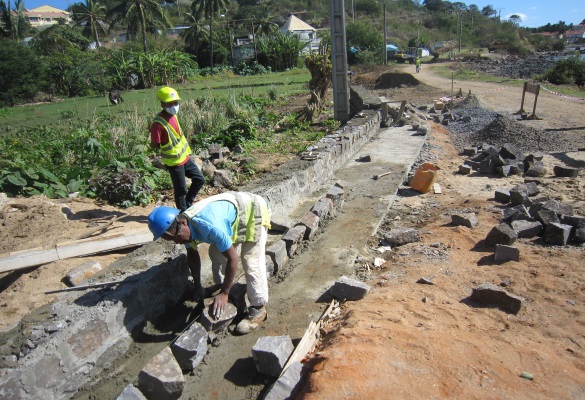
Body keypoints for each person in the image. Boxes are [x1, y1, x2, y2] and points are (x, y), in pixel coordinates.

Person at [147, 191, 271, 335]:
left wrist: (225, 292)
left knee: (251, 260)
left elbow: (233, 258)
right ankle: (224, 289)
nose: (177, 242)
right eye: (171, 240)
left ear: (183, 222)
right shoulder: (183, 231)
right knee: (216, 253)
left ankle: (258, 309)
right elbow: (192, 255)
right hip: (233, 215)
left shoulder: (209, 226)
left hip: (253, 209)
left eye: (176, 237)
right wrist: (198, 286)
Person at [150, 86, 205, 212]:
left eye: (176, 103)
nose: (174, 106)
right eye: (170, 103)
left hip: (184, 157)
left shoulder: (173, 116)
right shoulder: (158, 124)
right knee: (181, 190)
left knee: (199, 179)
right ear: (162, 104)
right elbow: (155, 144)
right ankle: (183, 213)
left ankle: (187, 204)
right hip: (173, 162)